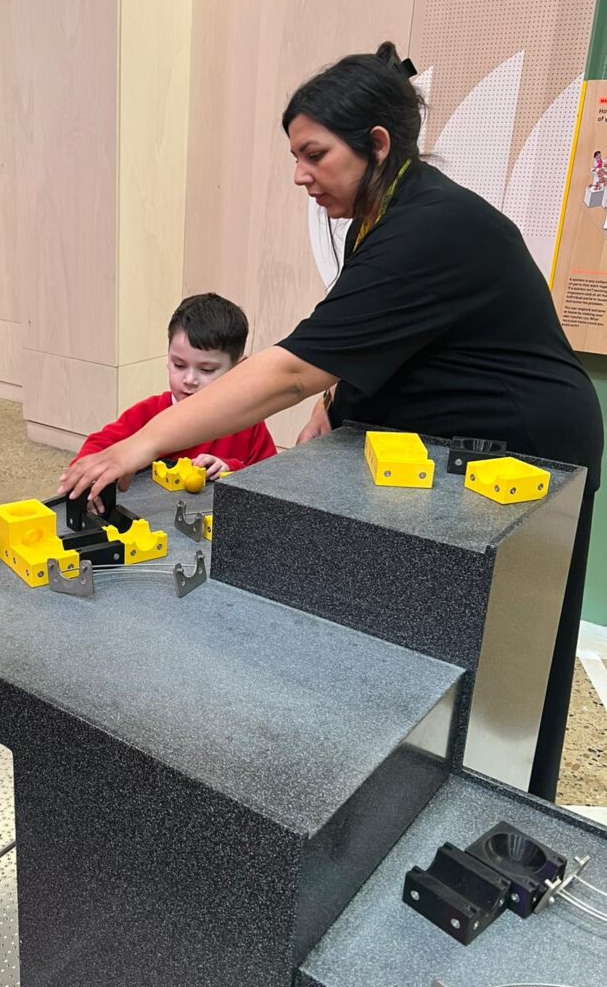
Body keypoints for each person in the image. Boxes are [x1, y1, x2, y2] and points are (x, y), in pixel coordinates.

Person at [60, 41, 603, 802]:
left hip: (527, 444)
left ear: (376, 144)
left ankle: (491, 797)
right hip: (435, 436)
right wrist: (331, 411)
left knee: (504, 653)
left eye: (313, 154)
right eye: (295, 155)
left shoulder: (432, 225)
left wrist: (136, 446)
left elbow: (290, 368)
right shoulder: (377, 218)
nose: (299, 175)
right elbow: (358, 339)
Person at [71, 293, 276, 482]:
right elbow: (96, 448)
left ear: (238, 370)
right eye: (179, 365)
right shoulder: (148, 413)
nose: (189, 379)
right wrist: (88, 484)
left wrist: (231, 469)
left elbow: (271, 479)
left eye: (206, 370)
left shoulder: (249, 422)